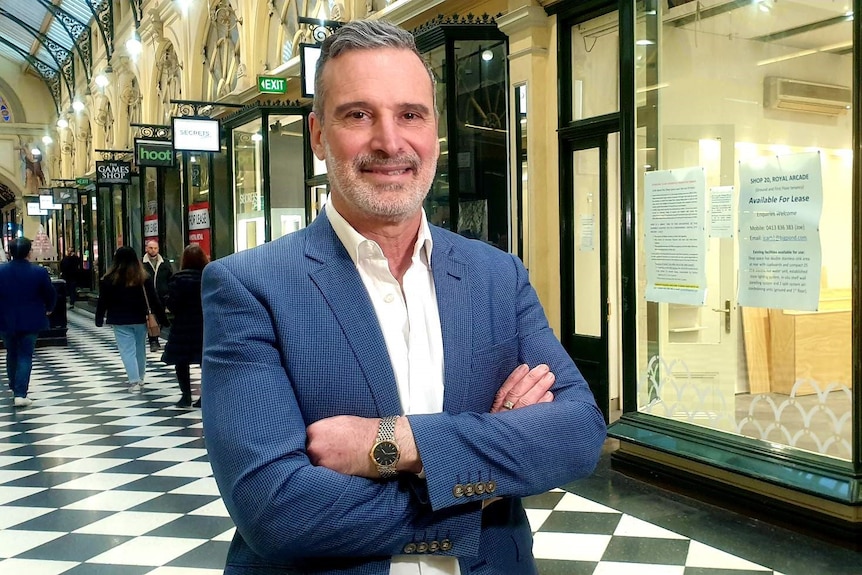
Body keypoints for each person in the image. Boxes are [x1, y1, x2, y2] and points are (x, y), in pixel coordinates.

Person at [201, 19, 606, 575]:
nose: (390, 142)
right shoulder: (250, 286)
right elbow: (276, 510)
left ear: (434, 130)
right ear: (319, 135)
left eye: (410, 114)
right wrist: (479, 484)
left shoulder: (496, 277)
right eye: (359, 114)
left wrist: (390, 443)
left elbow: (579, 431)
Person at [95, 246, 168, 393]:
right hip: (140, 318)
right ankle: (140, 378)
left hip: (119, 320)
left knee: (127, 350)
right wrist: (163, 319)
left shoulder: (109, 279)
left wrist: (99, 318)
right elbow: (154, 299)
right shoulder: (143, 277)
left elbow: (103, 301)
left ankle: (134, 381)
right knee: (140, 349)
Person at [0, 237, 56, 407]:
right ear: (29, 252)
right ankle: (20, 392)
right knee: (25, 354)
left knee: (11, 353)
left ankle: (14, 386)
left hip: (5, 319)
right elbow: (50, 293)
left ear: (10, 252)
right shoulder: (38, 272)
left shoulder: (1, 271)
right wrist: (49, 308)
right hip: (31, 319)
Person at [161, 244, 208, 408]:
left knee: (181, 362)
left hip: (183, 325)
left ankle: (186, 395)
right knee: (205, 362)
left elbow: (173, 304)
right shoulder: (208, 277)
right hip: (204, 325)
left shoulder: (178, 279)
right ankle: (204, 397)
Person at [143, 240, 172, 351]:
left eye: (155, 248)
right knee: (152, 317)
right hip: (148, 296)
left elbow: (169, 278)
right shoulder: (142, 263)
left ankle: (157, 337)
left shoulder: (165, 263)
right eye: (150, 248)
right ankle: (153, 340)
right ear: (146, 249)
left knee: (161, 318)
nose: (153, 250)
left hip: (162, 295)